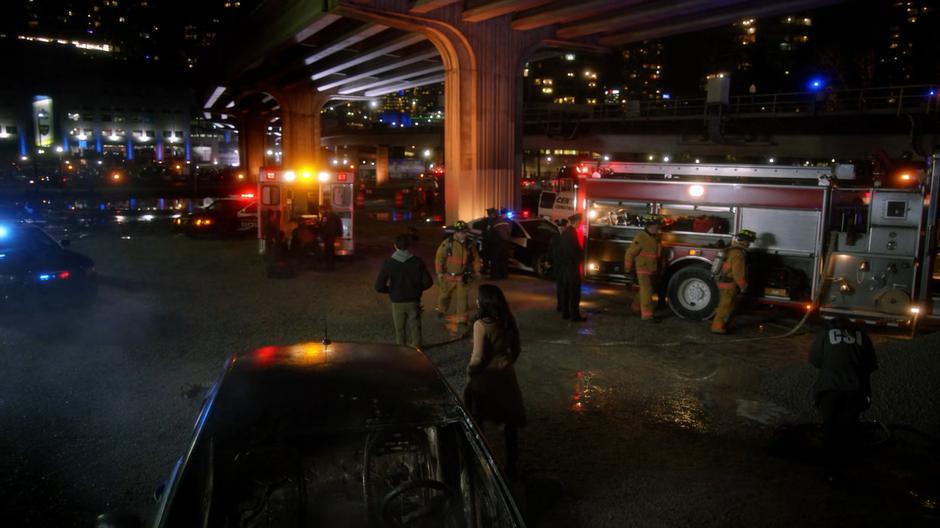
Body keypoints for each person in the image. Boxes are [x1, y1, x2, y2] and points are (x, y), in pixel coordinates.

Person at [464, 284, 526, 479]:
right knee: (509, 424)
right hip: (506, 377)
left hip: (486, 379)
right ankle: (512, 465)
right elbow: (516, 349)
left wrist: (470, 371)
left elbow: (478, 357)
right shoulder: (508, 320)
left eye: (478, 298)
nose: (476, 301)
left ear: (484, 302)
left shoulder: (481, 325)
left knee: (477, 420)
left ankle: (479, 464)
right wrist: (507, 362)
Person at [809, 316, 878, 480]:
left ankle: (830, 469)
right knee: (848, 426)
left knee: (830, 427)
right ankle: (846, 466)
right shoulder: (862, 336)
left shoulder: (825, 334)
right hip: (856, 390)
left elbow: (815, 360)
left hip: (829, 389)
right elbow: (870, 365)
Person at [375, 233, 434, 348]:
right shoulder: (417, 261)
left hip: (397, 301)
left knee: (400, 330)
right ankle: (418, 351)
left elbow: (378, 286)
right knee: (416, 327)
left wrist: (391, 290)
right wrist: (416, 289)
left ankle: (401, 353)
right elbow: (428, 282)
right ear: (408, 246)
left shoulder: (389, 263)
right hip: (414, 301)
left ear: (395, 246)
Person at [435, 220, 481, 336]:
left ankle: (462, 319)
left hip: (463, 277)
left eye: (464, 232)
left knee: (462, 299)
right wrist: (440, 272)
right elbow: (439, 258)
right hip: (448, 276)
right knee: (444, 296)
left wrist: (477, 271)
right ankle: (441, 310)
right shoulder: (448, 243)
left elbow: (476, 258)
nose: (463, 234)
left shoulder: (470, 244)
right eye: (461, 232)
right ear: (456, 232)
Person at [711, 229, 756, 334]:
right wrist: (743, 286)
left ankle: (719, 323)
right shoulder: (738, 254)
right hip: (729, 284)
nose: (749, 244)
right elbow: (738, 273)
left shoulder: (732, 249)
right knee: (726, 306)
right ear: (745, 241)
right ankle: (717, 327)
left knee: (724, 304)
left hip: (724, 282)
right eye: (749, 242)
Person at [623, 214, 664, 322]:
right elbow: (629, 253)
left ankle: (636, 307)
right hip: (643, 268)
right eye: (656, 225)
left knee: (646, 290)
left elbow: (657, 254)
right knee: (647, 291)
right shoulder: (641, 237)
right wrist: (628, 270)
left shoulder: (655, 238)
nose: (657, 228)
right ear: (650, 225)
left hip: (652, 269)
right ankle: (647, 316)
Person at [554, 214, 585, 321]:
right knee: (575, 291)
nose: (580, 224)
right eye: (580, 222)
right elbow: (573, 251)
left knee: (566, 290)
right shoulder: (571, 234)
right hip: (571, 267)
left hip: (565, 266)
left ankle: (566, 313)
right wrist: (581, 256)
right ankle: (575, 315)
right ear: (576, 222)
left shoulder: (566, 233)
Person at [550, 218, 569, 313]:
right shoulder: (555, 237)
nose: (561, 228)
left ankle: (564, 305)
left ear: (565, 227)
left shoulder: (568, 237)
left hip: (565, 265)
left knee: (565, 287)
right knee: (560, 286)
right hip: (558, 265)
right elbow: (551, 250)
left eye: (563, 227)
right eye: (559, 227)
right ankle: (560, 305)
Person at [489, 209, 512, 279]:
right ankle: (504, 275)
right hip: (506, 243)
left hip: (497, 243)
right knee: (504, 259)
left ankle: (495, 276)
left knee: (495, 260)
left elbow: (490, 232)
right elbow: (510, 231)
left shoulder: (495, 221)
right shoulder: (508, 221)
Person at [319, 203, 342, 271]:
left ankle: (328, 266)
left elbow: (323, 226)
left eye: (320, 210)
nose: (320, 212)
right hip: (333, 236)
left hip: (327, 236)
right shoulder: (335, 216)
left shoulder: (325, 216)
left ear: (323, 209)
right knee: (331, 251)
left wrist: (321, 232)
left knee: (328, 251)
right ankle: (332, 266)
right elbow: (339, 225)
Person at [480, 207, 498, 275]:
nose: (488, 214)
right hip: (488, 242)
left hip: (491, 242)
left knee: (489, 258)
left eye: (489, 213)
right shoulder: (487, 220)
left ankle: (488, 271)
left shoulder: (493, 221)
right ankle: (486, 270)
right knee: (487, 258)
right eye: (488, 213)